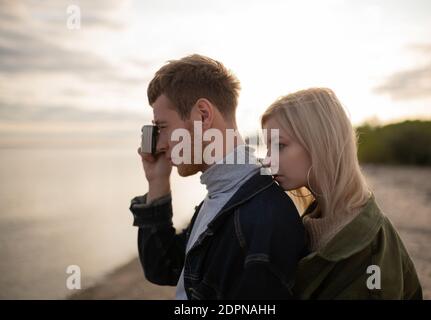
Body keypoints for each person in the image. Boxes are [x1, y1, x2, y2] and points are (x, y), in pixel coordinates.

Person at [129, 54, 308, 299]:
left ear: (202, 115)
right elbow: (165, 269)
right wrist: (157, 182)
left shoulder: (262, 218)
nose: (159, 144)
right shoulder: (224, 195)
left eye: (162, 127)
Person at [261, 88, 423, 299]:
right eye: (267, 148)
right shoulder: (311, 221)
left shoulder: (370, 252)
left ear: (320, 142)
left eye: (279, 145)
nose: (266, 160)